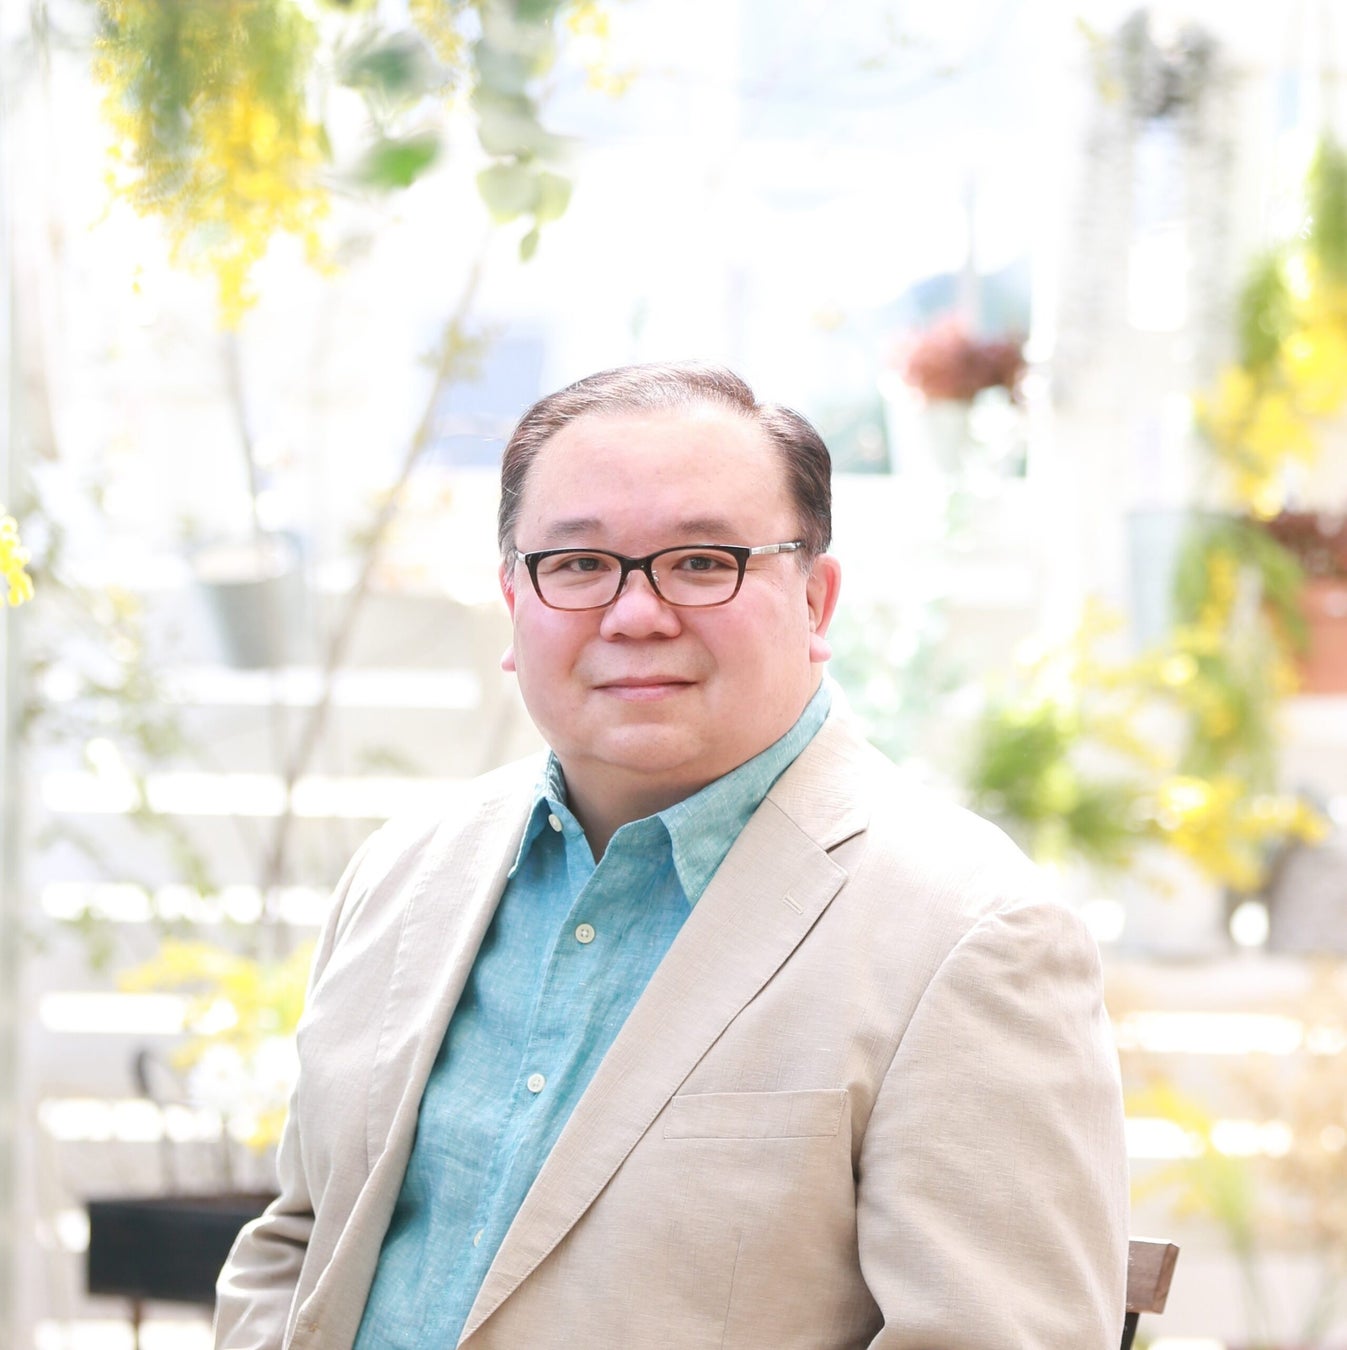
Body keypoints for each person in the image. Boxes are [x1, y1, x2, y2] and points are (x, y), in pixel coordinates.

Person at [214, 361, 1129, 1350]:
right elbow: (301, 1245)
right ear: (514, 601)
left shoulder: (972, 935)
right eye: (578, 564)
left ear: (816, 602)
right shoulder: (403, 873)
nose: (636, 613)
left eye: (701, 561)